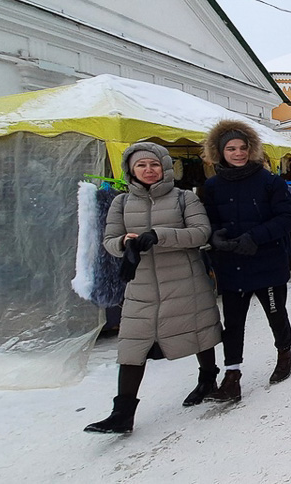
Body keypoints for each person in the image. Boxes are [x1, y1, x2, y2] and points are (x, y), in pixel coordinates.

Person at [85, 142, 221, 434]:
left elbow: (200, 233)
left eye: (154, 165)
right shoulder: (120, 203)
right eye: (141, 166)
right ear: (131, 170)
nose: (148, 170)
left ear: (165, 167)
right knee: (132, 345)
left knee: (198, 329)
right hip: (141, 281)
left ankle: (208, 378)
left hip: (183, 277)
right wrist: (123, 243)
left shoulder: (185, 198)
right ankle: (122, 412)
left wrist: (159, 235)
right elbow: (109, 241)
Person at [200, 120, 291, 403]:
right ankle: (232, 376)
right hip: (232, 264)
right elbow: (210, 219)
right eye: (231, 148)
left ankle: (285, 355)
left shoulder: (270, 181)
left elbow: (286, 218)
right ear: (220, 152)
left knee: (275, 313)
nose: (238, 153)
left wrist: (254, 237)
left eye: (243, 147)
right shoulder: (213, 185)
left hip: (266, 262)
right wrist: (215, 237)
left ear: (252, 149)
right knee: (233, 322)